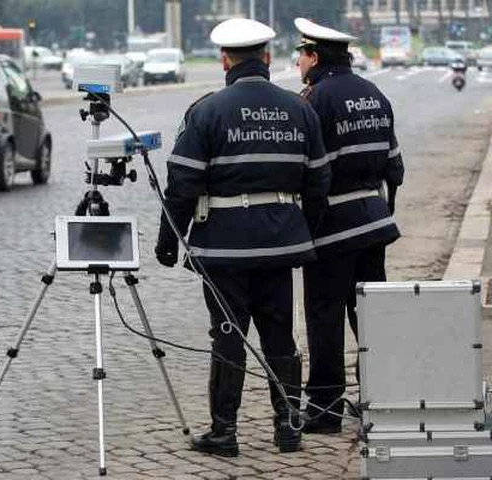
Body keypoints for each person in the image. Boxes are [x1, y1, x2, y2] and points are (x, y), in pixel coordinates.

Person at [155, 18, 331, 456]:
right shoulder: (299, 109)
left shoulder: (207, 110)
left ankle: (224, 431)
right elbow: (319, 181)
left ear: (224, 60)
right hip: (280, 244)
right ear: (267, 57)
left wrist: (169, 238)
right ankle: (288, 427)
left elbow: (183, 183)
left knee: (228, 334)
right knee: (280, 335)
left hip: (224, 246)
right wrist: (302, 230)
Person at [293, 18, 405, 433]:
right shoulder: (375, 94)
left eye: (301, 55)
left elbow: (310, 174)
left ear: (314, 56)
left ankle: (325, 410)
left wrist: (306, 226)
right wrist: (379, 208)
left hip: (332, 229)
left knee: (325, 317)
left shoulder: (314, 99)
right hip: (374, 224)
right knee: (371, 317)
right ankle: (383, 398)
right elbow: (395, 167)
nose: (298, 63)